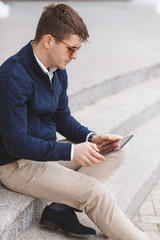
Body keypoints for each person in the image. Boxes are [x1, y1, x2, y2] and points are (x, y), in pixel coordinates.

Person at [0, 3, 150, 240]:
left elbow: (62, 117)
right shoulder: (12, 76)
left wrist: (92, 138)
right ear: (49, 41)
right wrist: (70, 151)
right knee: (96, 194)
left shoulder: (57, 68)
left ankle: (59, 209)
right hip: (17, 164)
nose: (75, 56)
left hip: (45, 153)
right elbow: (16, 143)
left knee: (118, 150)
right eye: (71, 48)